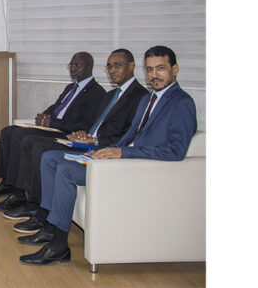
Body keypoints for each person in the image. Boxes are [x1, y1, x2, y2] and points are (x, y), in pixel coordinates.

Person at [18, 45, 197, 266]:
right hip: (119, 158)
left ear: (175, 69)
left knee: (65, 170)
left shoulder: (181, 102)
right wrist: (103, 149)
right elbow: (129, 135)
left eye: (160, 68)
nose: (154, 75)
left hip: (135, 166)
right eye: (150, 69)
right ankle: (48, 225)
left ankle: (59, 245)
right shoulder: (148, 99)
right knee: (51, 158)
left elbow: (176, 151)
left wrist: (122, 152)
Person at [6, 49, 149, 227]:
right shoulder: (111, 95)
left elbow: (128, 136)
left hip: (102, 149)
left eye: (117, 65)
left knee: (38, 146)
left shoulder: (141, 97)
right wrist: (84, 135)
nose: (112, 70)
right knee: (29, 142)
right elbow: (95, 125)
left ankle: (40, 212)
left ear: (132, 66)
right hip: (85, 141)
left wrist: (95, 140)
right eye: (109, 66)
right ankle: (37, 208)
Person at [0, 52, 105, 210]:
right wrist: (44, 116)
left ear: (88, 67)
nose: (72, 69)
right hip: (52, 127)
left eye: (76, 65)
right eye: (71, 65)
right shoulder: (71, 87)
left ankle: (20, 194)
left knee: (21, 136)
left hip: (65, 133)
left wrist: (52, 122)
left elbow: (85, 125)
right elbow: (56, 107)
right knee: (8, 132)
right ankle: (8, 183)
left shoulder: (97, 93)